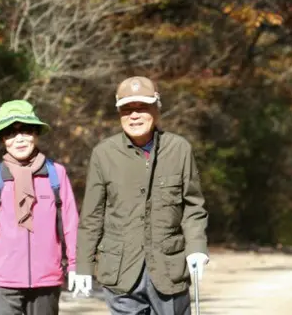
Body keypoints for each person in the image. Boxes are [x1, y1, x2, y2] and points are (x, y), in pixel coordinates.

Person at [74, 76, 209, 315]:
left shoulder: (179, 149)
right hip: (120, 274)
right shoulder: (103, 154)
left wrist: (197, 247)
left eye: (142, 108)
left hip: (169, 270)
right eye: (127, 110)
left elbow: (193, 206)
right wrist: (83, 266)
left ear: (157, 109)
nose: (134, 115)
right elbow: (92, 217)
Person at [0, 100, 82, 315]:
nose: (19, 138)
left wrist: (77, 265)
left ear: (36, 133)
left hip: (46, 281)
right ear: (2, 139)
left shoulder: (56, 175)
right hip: (1, 282)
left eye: (26, 131)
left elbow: (71, 225)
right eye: (10, 133)